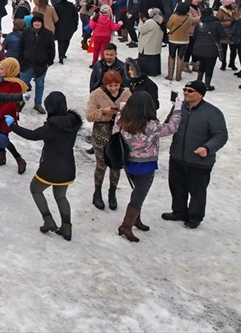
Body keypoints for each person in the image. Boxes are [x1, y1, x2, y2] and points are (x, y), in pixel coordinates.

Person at [8, 91, 80, 240]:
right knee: (61, 196)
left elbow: (33, 135)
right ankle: (67, 227)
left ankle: (48, 221)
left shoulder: (53, 126)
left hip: (51, 167)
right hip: (68, 167)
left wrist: (13, 126)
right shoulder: (72, 122)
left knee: (35, 189)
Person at [114, 91, 182, 242]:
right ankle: (126, 226)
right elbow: (172, 127)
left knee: (136, 191)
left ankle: (136, 220)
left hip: (128, 162)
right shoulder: (151, 126)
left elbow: (115, 132)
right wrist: (177, 108)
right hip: (146, 165)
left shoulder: (121, 119)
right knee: (139, 195)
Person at [163, 80, 228, 228]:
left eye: (190, 91)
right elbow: (168, 125)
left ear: (200, 94)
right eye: (185, 89)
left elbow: (220, 135)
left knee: (197, 191)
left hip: (199, 161)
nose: (185, 92)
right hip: (177, 156)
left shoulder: (213, 113)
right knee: (177, 186)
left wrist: (207, 148)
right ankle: (179, 211)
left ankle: (195, 216)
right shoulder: (178, 108)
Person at [85, 70, 131, 211]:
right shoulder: (97, 95)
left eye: (116, 85)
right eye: (110, 86)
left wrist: (123, 113)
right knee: (101, 163)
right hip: (101, 132)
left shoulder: (126, 94)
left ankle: (112, 192)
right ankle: (97, 192)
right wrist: (103, 112)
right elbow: (89, 115)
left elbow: (134, 112)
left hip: (119, 133)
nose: (113, 88)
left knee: (116, 164)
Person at [18, 14, 55, 114]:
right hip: (27, 64)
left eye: (39, 21)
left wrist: (48, 62)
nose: (37, 23)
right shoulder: (26, 32)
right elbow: (21, 46)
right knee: (22, 85)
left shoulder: (48, 34)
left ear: (42, 23)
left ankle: (38, 104)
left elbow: (52, 49)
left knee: (40, 85)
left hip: (41, 65)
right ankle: (19, 102)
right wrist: (21, 60)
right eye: (35, 21)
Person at [191, 7, 228, 91]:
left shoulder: (199, 24)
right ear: (212, 14)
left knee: (202, 66)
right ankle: (207, 85)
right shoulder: (217, 23)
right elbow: (223, 36)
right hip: (212, 49)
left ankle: (198, 82)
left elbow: (195, 36)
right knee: (209, 67)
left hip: (199, 48)